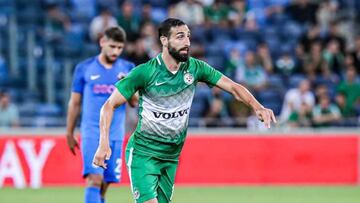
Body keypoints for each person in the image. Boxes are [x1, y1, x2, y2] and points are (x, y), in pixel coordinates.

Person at [92, 18, 276, 203]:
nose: (187, 42)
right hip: (143, 154)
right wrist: (103, 143)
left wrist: (257, 106)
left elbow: (234, 87)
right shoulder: (145, 72)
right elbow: (109, 105)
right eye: (180, 37)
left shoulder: (196, 68)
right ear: (164, 40)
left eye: (188, 36)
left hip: (171, 156)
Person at [66, 26, 136, 203]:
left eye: (119, 48)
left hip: (115, 134)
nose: (116, 51)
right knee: (94, 179)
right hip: (92, 132)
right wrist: (69, 132)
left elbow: (135, 102)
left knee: (105, 183)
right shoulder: (84, 68)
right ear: (102, 42)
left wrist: (126, 84)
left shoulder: (128, 68)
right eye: (112, 46)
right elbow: (74, 103)